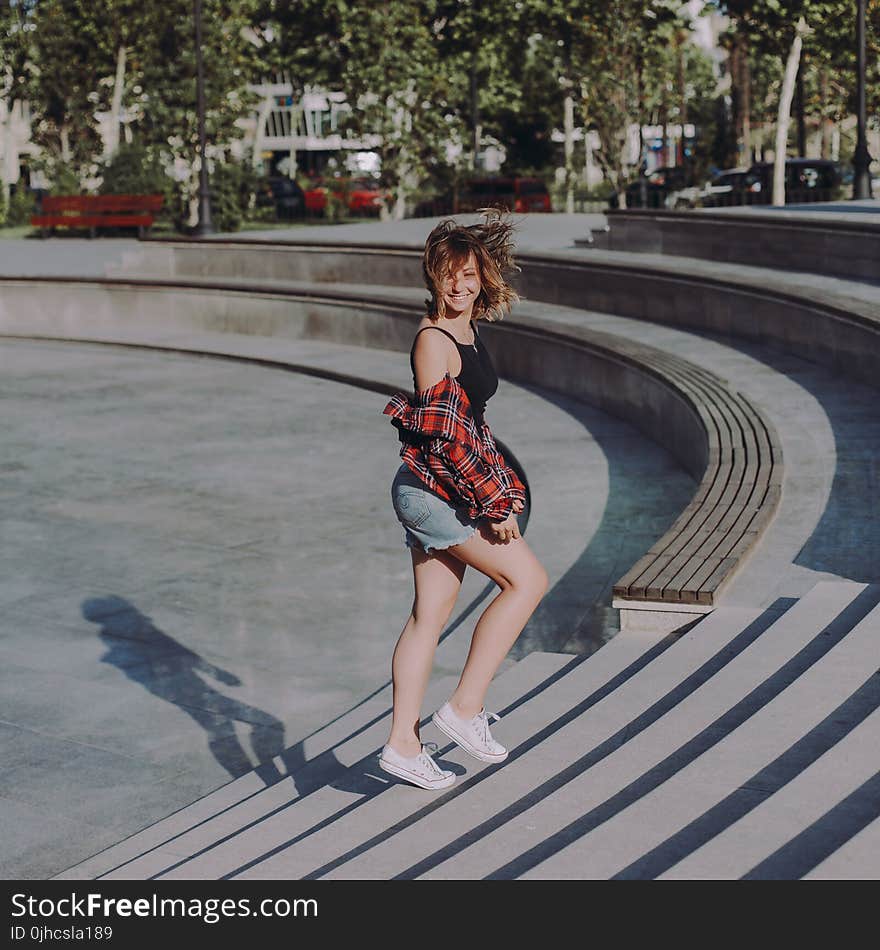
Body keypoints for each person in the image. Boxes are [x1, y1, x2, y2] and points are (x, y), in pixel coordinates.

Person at [379, 211, 549, 790]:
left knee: (429, 617)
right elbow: (444, 439)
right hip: (434, 491)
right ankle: (464, 709)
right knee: (526, 582)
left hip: (437, 488)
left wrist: (500, 484)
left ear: (483, 278)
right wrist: (493, 507)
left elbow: (472, 424)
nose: (459, 285)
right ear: (434, 277)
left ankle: (404, 744)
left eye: (470, 274)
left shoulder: (469, 333)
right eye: (450, 275)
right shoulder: (433, 341)